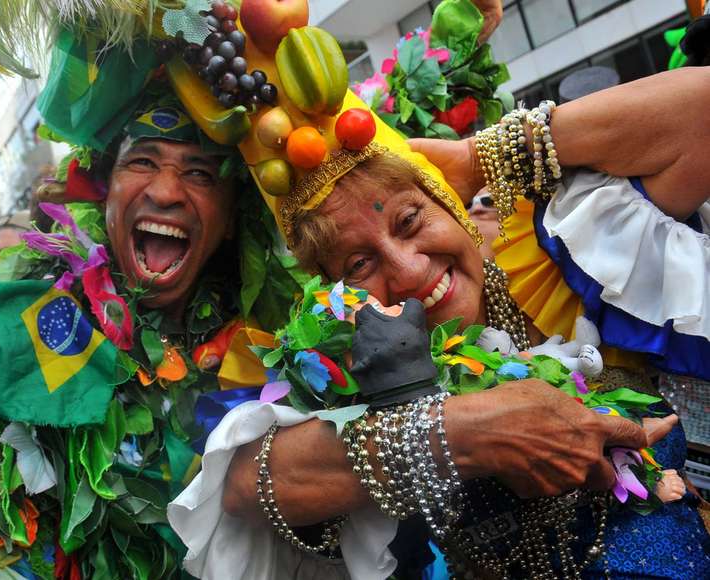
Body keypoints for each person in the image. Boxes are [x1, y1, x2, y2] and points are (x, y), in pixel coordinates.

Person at [170, 58, 710, 579]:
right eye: (359, 264)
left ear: (450, 206)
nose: (408, 270)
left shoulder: (560, 272)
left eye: (410, 220)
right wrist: (464, 434)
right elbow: (243, 485)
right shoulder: (356, 369)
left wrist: (480, 157)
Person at [0, 3, 302, 577]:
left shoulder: (279, 341)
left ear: (232, 218)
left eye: (200, 173)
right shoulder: (32, 317)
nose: (166, 191)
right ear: (105, 193)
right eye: (144, 161)